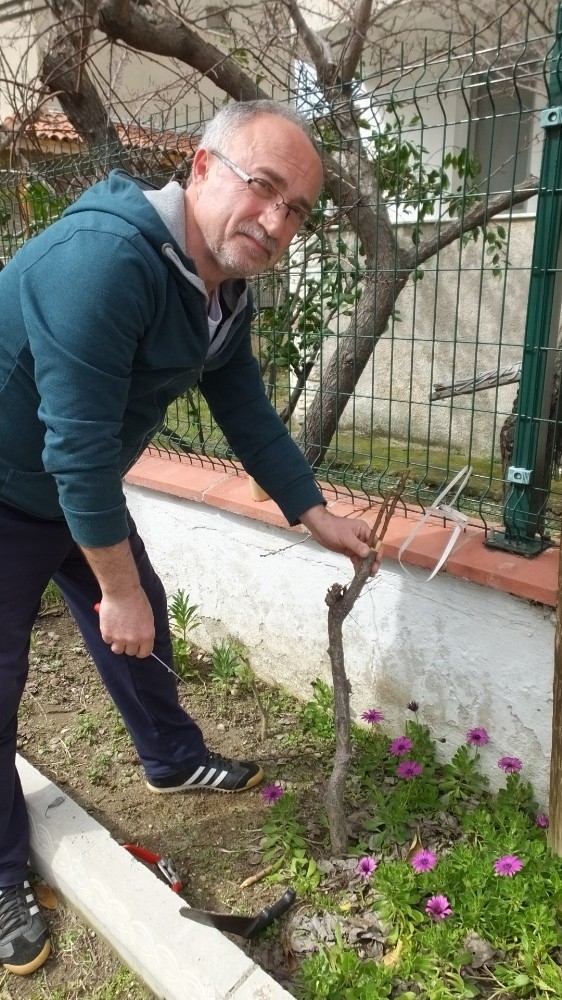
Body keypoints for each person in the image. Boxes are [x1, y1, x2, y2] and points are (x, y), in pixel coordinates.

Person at [0, 99, 376, 975]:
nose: (278, 222)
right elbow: (80, 446)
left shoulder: (220, 282)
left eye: (298, 211)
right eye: (265, 188)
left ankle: (171, 760)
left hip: (63, 486)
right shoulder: (104, 263)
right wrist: (114, 588)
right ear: (201, 169)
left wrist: (311, 509)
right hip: (11, 481)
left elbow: (240, 400)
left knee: (145, 622)